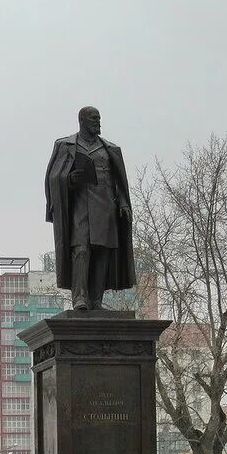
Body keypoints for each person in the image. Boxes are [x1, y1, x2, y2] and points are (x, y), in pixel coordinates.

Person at [45, 106, 136, 310]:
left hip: (105, 208)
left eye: (99, 119)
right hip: (79, 207)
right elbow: (53, 178)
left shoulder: (109, 149)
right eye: (94, 119)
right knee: (81, 250)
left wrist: (123, 203)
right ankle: (80, 298)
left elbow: (119, 181)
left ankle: (96, 300)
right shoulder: (66, 145)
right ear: (82, 121)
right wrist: (69, 179)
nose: (98, 122)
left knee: (102, 252)